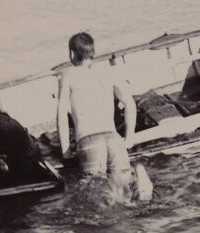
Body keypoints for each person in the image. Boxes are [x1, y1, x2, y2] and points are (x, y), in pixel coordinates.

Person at [57, 32, 143, 200]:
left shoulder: (67, 75)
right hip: (114, 139)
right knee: (126, 195)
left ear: (72, 53)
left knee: (96, 197)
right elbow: (130, 104)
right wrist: (129, 140)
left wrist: (65, 151)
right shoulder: (109, 71)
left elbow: (61, 115)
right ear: (92, 51)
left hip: (88, 141)